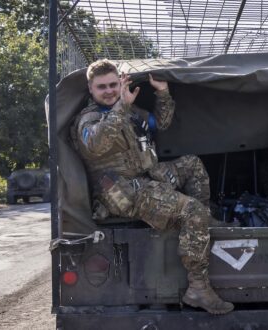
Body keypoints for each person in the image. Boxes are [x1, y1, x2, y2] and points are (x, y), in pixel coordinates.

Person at [71, 59, 233, 315]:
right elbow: (96, 145)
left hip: (147, 177)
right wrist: (122, 106)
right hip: (122, 192)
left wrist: (162, 93)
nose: (109, 91)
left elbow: (160, 123)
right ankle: (198, 288)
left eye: (114, 84)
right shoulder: (88, 119)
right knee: (191, 210)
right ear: (90, 89)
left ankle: (200, 227)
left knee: (192, 165)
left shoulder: (130, 111)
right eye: (102, 87)